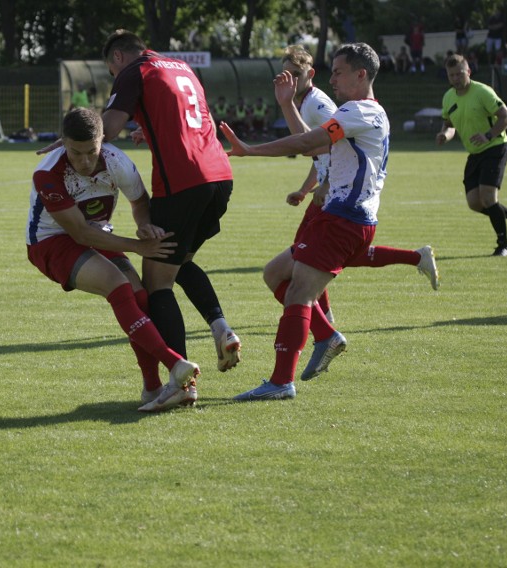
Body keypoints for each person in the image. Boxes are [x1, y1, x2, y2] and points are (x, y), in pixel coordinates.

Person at [219, 43, 390, 401]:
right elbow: (314, 148)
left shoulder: (359, 112)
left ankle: (281, 381)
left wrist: (251, 150)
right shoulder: (357, 113)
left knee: (299, 291)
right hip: (337, 214)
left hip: (346, 218)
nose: (332, 78)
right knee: (274, 273)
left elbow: (310, 140)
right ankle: (326, 335)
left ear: (361, 75)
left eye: (339, 71)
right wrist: (285, 105)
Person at [98, 29, 242, 411]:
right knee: (179, 261)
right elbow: (188, 120)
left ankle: (182, 383)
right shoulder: (181, 66)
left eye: (112, 71)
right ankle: (219, 326)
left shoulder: (135, 70)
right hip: (219, 177)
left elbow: (106, 130)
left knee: (157, 283)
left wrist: (69, 139)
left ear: (117, 58)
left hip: (182, 182)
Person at [26, 107, 200, 411]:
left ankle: (151, 389)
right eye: (75, 153)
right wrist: (136, 247)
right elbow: (79, 233)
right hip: (51, 243)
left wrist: (144, 224)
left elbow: (139, 201)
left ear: (101, 141)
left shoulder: (116, 161)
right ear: (63, 142)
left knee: (140, 297)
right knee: (118, 285)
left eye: (90, 152)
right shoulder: (47, 174)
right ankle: (174, 364)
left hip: (98, 234)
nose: (84, 161)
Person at [272, 44, 438, 333]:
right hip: (338, 193)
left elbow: (321, 142)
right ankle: (415, 258)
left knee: (302, 261)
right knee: (310, 258)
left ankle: (322, 327)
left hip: (339, 195)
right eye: (286, 74)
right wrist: (306, 186)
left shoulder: (320, 104)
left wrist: (323, 184)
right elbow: (321, 148)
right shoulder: (309, 103)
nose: (291, 79)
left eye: (296, 74)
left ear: (309, 74)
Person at [436, 54, 507, 257]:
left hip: (495, 147)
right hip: (475, 153)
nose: (456, 78)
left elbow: (505, 116)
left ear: (468, 72)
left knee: (488, 196)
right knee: (474, 203)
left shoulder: (482, 91)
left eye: (459, 73)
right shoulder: (448, 97)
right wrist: (445, 135)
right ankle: (506, 215)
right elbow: (449, 125)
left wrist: (488, 135)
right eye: (452, 75)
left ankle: (504, 245)